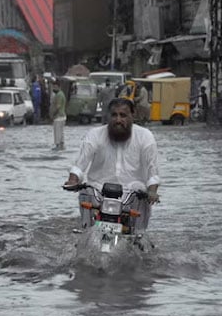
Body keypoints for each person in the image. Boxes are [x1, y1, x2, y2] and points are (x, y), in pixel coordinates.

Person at [64, 98, 160, 233]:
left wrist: (152, 192)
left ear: (133, 116)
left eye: (123, 115)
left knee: (139, 230)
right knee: (85, 191)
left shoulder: (145, 137)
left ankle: (138, 239)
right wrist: (72, 181)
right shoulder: (94, 135)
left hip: (132, 195)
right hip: (99, 193)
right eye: (114, 115)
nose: (118, 120)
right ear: (108, 116)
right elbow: (80, 164)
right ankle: (85, 236)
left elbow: (152, 171)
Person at [50, 79, 67, 150]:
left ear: (59, 87)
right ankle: (61, 145)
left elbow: (58, 106)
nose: (54, 88)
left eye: (55, 87)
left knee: (57, 132)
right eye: (53, 87)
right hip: (61, 116)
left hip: (58, 116)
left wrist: (53, 114)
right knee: (61, 132)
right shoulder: (61, 94)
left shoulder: (59, 95)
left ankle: (58, 145)